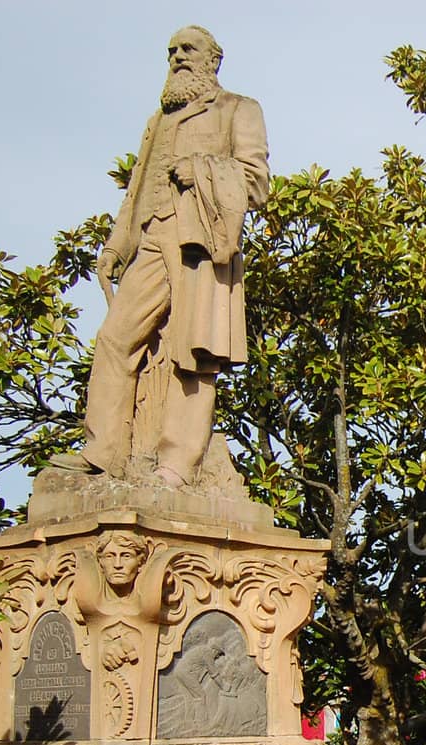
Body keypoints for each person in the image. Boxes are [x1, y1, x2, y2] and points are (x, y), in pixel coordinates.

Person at [50, 25, 268, 487]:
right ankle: (103, 452)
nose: (178, 57)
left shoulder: (238, 109)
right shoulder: (158, 120)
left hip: (199, 244)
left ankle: (177, 464)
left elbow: (256, 182)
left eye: (189, 49)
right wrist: (115, 244)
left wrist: (199, 170)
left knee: (193, 353)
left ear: (213, 59)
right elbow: (136, 191)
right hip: (149, 239)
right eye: (171, 51)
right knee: (116, 337)